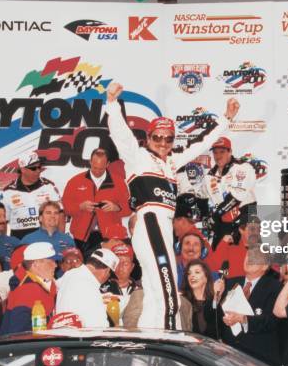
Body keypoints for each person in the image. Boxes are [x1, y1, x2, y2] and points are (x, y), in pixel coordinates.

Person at [105, 81, 239, 330]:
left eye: (168, 139)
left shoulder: (172, 161)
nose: (163, 143)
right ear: (148, 138)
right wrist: (112, 104)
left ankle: (145, 349)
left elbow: (201, 143)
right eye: (157, 137)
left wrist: (225, 120)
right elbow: (121, 135)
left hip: (163, 227)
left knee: (156, 296)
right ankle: (169, 343)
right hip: (149, 222)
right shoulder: (138, 157)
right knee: (170, 297)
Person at [218, 247, 282, 366]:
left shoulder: (275, 288)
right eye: (248, 255)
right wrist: (216, 297)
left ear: (265, 266)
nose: (249, 259)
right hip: (229, 357)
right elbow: (213, 319)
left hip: (258, 359)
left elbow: (271, 321)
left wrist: (244, 319)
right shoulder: (229, 283)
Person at [62, 147, 131, 257]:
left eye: (101, 168)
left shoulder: (118, 182)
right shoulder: (75, 181)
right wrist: (80, 206)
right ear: (90, 162)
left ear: (107, 164)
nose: (97, 171)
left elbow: (129, 208)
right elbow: (66, 208)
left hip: (110, 236)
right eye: (94, 167)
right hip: (82, 236)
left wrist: (116, 207)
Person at [203, 136, 257, 249]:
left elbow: (237, 197)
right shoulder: (209, 176)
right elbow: (209, 201)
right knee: (217, 257)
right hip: (223, 220)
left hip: (245, 217)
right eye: (215, 152)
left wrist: (217, 214)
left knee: (246, 256)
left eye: (222, 152)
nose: (218, 156)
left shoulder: (242, 167)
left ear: (230, 151)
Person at [0, 151, 64, 239]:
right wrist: (3, 244)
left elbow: (60, 214)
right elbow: (2, 221)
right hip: (19, 240)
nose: (38, 171)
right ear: (23, 169)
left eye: (39, 167)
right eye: (33, 168)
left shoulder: (48, 186)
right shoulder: (8, 191)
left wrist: (61, 240)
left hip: (46, 237)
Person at [0, 242, 58, 335]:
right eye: (51, 261)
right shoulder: (27, 290)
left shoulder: (39, 284)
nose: (55, 265)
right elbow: (18, 333)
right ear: (36, 264)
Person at [56, 248, 119, 328]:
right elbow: (100, 327)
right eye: (109, 276)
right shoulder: (90, 285)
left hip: (62, 335)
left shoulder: (69, 275)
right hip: (79, 337)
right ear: (106, 271)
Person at [181, 259, 220, 339]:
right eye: (189, 273)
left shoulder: (214, 301)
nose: (192, 276)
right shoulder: (183, 302)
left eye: (197, 272)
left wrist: (216, 298)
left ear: (206, 278)